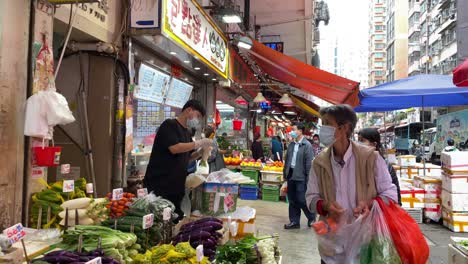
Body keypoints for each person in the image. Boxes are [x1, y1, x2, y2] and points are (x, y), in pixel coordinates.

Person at [305, 104, 397, 263]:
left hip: (365, 248)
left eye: (327, 124)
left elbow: (391, 194)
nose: (323, 130)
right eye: (322, 124)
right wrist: (325, 206)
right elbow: (311, 199)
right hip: (331, 250)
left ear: (344, 128)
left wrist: (369, 204)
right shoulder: (319, 163)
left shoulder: (371, 158)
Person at [144, 100, 212, 222]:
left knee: (173, 221)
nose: (198, 120)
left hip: (176, 186)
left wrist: (200, 153)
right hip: (160, 184)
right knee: (157, 221)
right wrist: (198, 143)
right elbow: (175, 148)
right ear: (189, 110)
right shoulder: (169, 125)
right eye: (198, 116)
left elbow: (188, 156)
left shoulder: (187, 132)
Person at [283, 123, 316, 229]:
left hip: (301, 176)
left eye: (293, 129)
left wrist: (309, 179)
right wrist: (285, 174)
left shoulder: (307, 145)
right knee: (292, 199)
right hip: (291, 174)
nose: (291, 131)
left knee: (301, 199)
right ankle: (294, 221)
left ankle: (311, 217)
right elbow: (287, 160)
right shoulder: (291, 144)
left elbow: (308, 164)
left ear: (300, 131)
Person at [358, 128, 402, 205]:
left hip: (379, 210)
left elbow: (394, 194)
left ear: (374, 144)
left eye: (362, 140)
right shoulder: (358, 163)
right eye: (358, 140)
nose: (358, 144)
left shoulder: (386, 166)